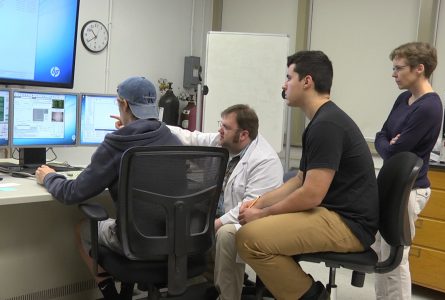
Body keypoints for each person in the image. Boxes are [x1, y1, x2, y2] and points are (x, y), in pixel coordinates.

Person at [235, 50, 379, 300]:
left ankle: (312, 297)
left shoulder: (327, 125)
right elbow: (300, 181)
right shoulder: (323, 120)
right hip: (336, 215)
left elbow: (311, 194)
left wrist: (262, 213)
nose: (284, 84)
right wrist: (258, 203)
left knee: (249, 238)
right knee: (257, 229)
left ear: (307, 81)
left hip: (348, 224)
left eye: (289, 77)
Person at [35, 76, 182, 300]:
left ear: (123, 104)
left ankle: (112, 296)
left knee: (82, 229)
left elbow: (72, 193)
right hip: (175, 239)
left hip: (135, 241)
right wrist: (129, 128)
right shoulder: (173, 139)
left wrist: (49, 178)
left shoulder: (117, 144)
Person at [168, 104, 283, 300]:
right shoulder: (223, 142)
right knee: (184, 218)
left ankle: (228, 296)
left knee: (225, 235)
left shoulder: (264, 160)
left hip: (254, 220)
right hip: (223, 214)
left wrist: (215, 224)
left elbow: (248, 207)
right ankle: (210, 282)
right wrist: (151, 124)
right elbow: (190, 137)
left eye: (226, 127)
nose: (220, 130)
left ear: (243, 135)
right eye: (221, 125)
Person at [373, 42, 442, 300]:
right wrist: (389, 143)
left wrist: (391, 145)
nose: (394, 74)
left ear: (419, 69)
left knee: (396, 257)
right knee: (381, 253)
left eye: (398, 68)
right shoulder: (404, 98)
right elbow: (382, 137)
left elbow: (395, 152)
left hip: (410, 190)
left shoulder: (429, 107)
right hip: (392, 187)